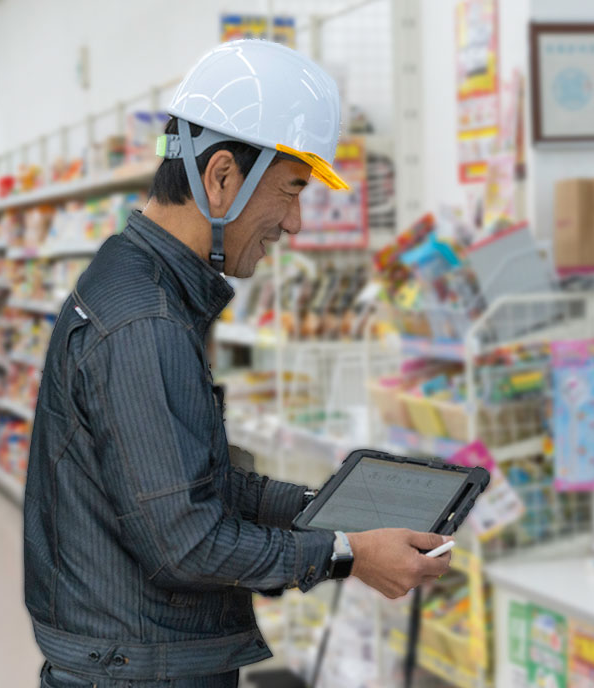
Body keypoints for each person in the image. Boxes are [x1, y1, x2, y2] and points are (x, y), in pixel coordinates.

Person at [23, 40, 450, 688]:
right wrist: (347, 553)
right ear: (222, 176)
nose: (297, 223)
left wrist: (328, 509)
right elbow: (187, 542)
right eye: (291, 191)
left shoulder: (143, 288)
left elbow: (201, 485)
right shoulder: (147, 323)